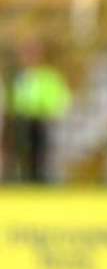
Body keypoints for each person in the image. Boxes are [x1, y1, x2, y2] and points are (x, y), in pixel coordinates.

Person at [10, 39, 72, 182]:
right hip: (23, 120)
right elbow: (15, 99)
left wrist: (52, 111)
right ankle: (26, 178)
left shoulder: (49, 76)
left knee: (41, 152)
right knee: (25, 152)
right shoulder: (20, 77)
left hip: (43, 120)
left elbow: (60, 97)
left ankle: (40, 179)